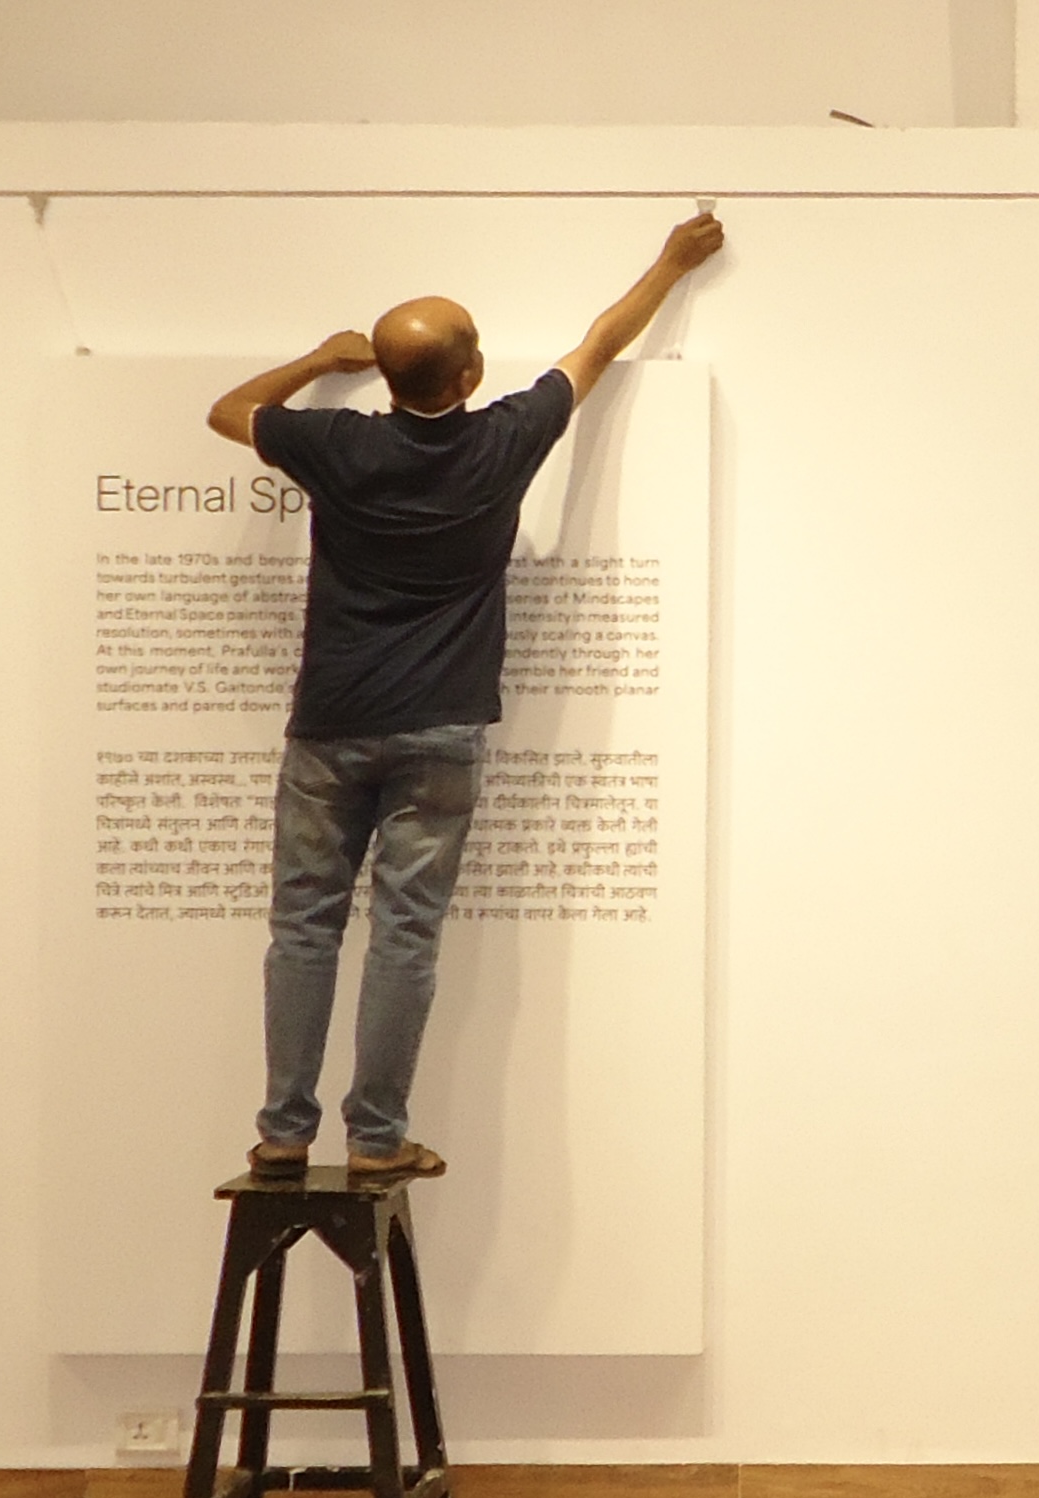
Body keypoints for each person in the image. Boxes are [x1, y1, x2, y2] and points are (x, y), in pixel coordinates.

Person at [206, 209, 725, 1187]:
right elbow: (598, 344)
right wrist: (669, 261)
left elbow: (228, 411)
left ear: (391, 376)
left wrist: (318, 359)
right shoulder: (502, 441)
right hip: (440, 731)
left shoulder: (337, 445)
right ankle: (374, 1137)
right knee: (405, 933)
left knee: (304, 927)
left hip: (330, 726)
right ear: (469, 375)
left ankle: (283, 1133)